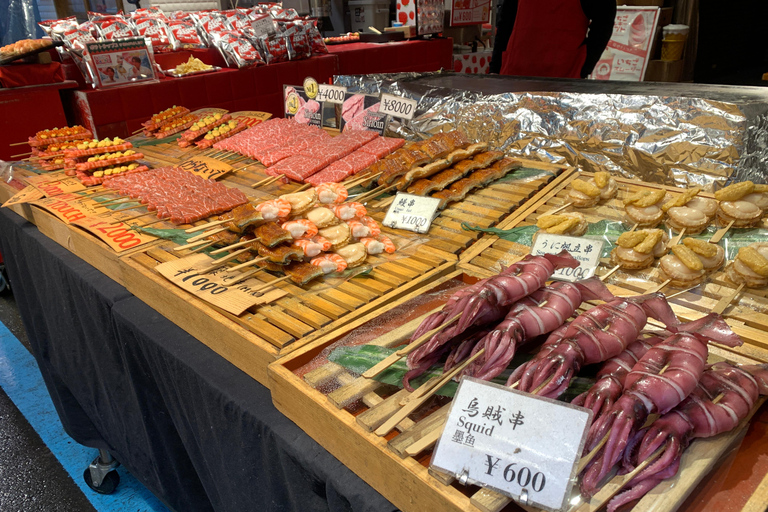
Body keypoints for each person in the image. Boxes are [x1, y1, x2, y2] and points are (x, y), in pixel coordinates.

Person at [489, 0, 616, 79]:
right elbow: (506, 23)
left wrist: (584, 67)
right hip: (515, 72)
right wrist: (495, 69)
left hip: (563, 76)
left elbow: (603, 24)